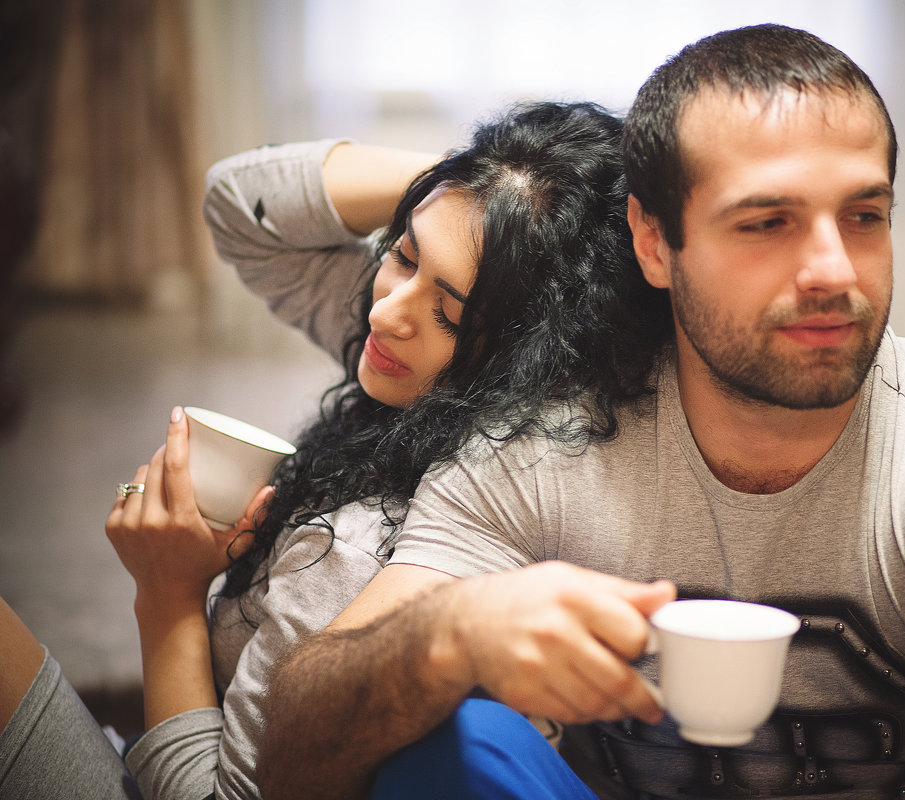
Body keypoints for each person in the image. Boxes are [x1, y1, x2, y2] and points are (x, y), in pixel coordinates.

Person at [259, 24, 905, 800]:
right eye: (767, 223)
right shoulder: (539, 451)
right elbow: (294, 751)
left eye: (864, 216)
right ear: (654, 242)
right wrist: (452, 633)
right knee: (447, 736)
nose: (835, 269)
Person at [0, 101, 666, 799]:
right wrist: (496, 183)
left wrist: (165, 601)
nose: (383, 311)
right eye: (402, 254)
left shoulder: (364, 550)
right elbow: (241, 205)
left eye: (448, 311)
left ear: (529, 360)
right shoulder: (441, 364)